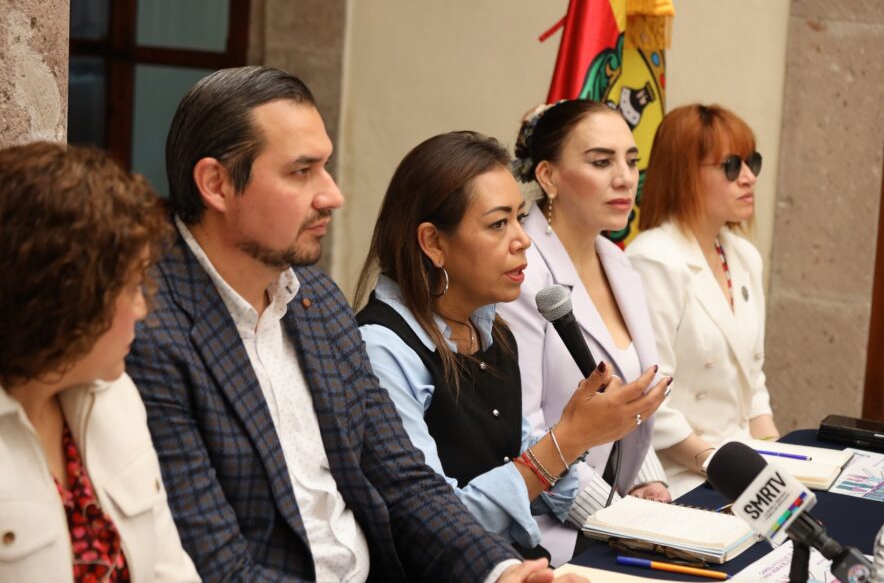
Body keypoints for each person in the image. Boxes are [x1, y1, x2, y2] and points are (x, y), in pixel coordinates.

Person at [125, 65, 577, 583]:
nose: (332, 195)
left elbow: (403, 480)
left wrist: (500, 572)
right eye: (301, 171)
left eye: (326, 167)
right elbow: (215, 563)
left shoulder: (316, 301)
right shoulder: (148, 329)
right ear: (217, 184)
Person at [354, 131, 665, 567]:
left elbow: (519, 450)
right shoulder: (383, 349)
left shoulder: (489, 329)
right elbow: (436, 523)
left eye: (520, 218)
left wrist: (637, 527)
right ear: (434, 243)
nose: (524, 240)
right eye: (499, 224)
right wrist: (570, 437)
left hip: (519, 563)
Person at [0, 142, 199, 581]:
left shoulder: (115, 397)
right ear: (68, 298)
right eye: (132, 287)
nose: (144, 310)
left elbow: (169, 569)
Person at [497, 100, 674, 560]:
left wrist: (646, 480)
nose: (625, 178)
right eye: (601, 162)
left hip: (615, 511)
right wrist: (615, 517)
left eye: (631, 161)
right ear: (548, 176)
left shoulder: (618, 262)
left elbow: (628, 396)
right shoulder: (520, 273)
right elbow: (520, 432)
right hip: (543, 533)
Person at [624, 103, 779, 497]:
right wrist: (722, 466)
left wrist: (779, 459)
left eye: (752, 162)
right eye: (731, 166)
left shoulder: (744, 256)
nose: (748, 177)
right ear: (685, 174)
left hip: (743, 461)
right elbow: (649, 396)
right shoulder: (653, 259)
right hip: (680, 474)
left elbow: (753, 380)